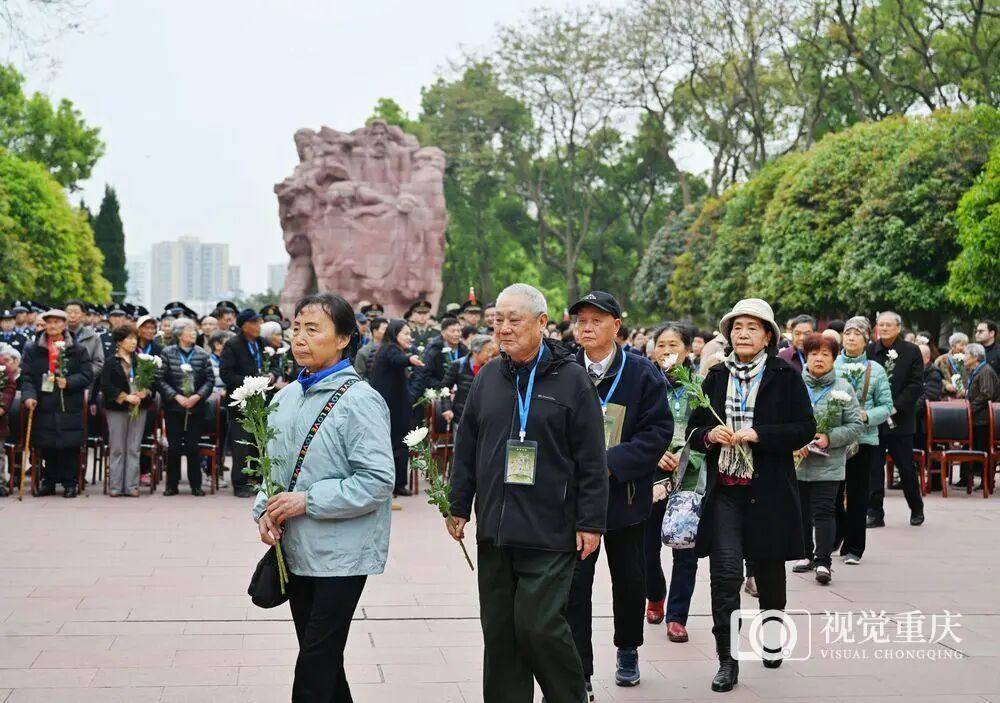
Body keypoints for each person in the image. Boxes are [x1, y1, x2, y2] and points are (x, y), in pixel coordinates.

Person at [448, 283, 608, 703]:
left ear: (541, 323)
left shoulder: (572, 380)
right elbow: (466, 445)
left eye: (513, 320)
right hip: (496, 530)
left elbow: (592, 457)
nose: (502, 328)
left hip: (550, 529)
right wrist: (458, 504)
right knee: (500, 634)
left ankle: (570, 695)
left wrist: (591, 521)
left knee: (538, 626)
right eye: (497, 320)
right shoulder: (488, 378)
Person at [253, 293, 395, 703]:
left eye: (313, 329)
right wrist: (265, 508)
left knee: (315, 665)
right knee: (325, 664)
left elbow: (377, 480)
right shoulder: (284, 397)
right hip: (296, 552)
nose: (300, 338)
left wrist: (306, 501)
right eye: (296, 328)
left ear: (344, 339)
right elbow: (272, 471)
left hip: (341, 556)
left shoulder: (360, 400)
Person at [686, 298, 816, 692]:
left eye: (752, 327)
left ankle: (772, 637)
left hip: (769, 493)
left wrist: (760, 434)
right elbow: (692, 430)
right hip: (726, 493)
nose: (743, 333)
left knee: (770, 577)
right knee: (725, 577)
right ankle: (727, 661)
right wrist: (709, 436)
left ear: (768, 336)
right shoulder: (714, 377)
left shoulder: (785, 375)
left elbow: (804, 428)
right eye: (737, 326)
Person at [564, 292, 671, 691]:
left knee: (629, 579)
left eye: (596, 320)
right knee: (575, 585)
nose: (586, 327)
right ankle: (580, 671)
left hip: (625, 496)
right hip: (575, 500)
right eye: (581, 321)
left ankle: (628, 648)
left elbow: (658, 430)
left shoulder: (642, 373)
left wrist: (612, 461)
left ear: (616, 326)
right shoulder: (563, 369)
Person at [644, 323, 705, 644]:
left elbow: (708, 429)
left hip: (690, 475)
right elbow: (629, 429)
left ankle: (677, 616)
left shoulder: (702, 386)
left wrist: (684, 454)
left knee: (686, 548)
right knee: (645, 547)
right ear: (652, 351)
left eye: (674, 345)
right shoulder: (643, 383)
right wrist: (655, 454)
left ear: (688, 350)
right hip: (649, 473)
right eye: (662, 345)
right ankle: (654, 593)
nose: (668, 351)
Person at [791, 334, 863, 584]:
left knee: (823, 511)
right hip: (798, 461)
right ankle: (804, 554)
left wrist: (830, 438)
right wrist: (794, 441)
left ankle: (823, 562)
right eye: (813, 354)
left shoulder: (843, 388)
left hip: (829, 462)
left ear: (834, 359)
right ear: (806, 357)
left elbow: (856, 425)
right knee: (800, 511)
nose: (818, 359)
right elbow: (782, 420)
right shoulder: (794, 384)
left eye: (825, 354)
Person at [833, 317, 892, 564]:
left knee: (858, 494)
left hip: (864, 440)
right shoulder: (831, 365)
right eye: (847, 333)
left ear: (866, 339)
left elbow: (887, 407)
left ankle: (855, 548)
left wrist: (867, 415)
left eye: (857, 334)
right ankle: (836, 536)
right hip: (835, 439)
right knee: (832, 494)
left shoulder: (876, 370)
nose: (851, 338)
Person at [20, 309, 93, 498]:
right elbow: (26, 377)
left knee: (69, 444)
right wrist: (29, 396)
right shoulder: (33, 348)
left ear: (64, 324)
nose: (52, 326)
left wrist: (69, 382)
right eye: (49, 322)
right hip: (44, 403)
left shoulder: (77, 349)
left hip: (69, 403)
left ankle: (70, 482)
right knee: (48, 443)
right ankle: (49, 481)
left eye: (57, 322)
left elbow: (87, 375)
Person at [867, 311, 925, 528]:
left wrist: (895, 407)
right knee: (873, 467)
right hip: (875, 420)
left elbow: (915, 384)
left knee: (906, 467)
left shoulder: (911, 351)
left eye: (888, 325)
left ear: (898, 328)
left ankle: (916, 507)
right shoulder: (871, 350)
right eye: (880, 325)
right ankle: (875, 513)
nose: (883, 329)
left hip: (900, 420)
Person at [369, 319, 425, 497]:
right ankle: (389, 485)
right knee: (391, 446)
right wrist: (409, 359)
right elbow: (398, 359)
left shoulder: (394, 348)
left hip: (398, 407)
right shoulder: (389, 349)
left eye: (410, 333)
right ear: (395, 334)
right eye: (406, 334)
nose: (410, 337)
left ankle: (399, 484)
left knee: (401, 444)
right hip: (388, 409)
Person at [158, 319, 214, 496]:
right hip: (174, 407)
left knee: (192, 447)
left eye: (194, 330)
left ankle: (195, 485)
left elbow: (210, 380)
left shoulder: (202, 354)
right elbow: (160, 379)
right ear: (179, 334)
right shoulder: (167, 353)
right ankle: (171, 485)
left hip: (196, 408)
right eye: (189, 330)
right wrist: (176, 396)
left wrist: (197, 396)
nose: (194, 333)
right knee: (173, 447)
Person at [220, 309, 267, 497]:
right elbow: (226, 374)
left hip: (260, 401)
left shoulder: (261, 343)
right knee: (241, 444)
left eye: (259, 323)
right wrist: (250, 382)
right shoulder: (232, 344)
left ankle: (257, 480)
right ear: (244, 325)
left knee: (259, 442)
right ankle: (239, 484)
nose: (258, 326)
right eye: (254, 323)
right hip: (241, 401)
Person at [101, 323, 151, 497]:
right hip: (117, 409)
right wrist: (125, 397)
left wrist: (145, 392)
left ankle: (131, 486)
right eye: (129, 338)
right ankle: (115, 486)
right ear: (119, 341)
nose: (133, 342)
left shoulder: (141, 361)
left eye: (135, 338)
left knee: (134, 447)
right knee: (117, 447)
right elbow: (106, 386)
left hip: (139, 407)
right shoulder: (110, 362)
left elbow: (151, 383)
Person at [440, 334, 498, 427]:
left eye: (491, 351)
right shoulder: (458, 365)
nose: (491, 354)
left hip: (484, 418)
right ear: (476, 351)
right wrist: (447, 408)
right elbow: (444, 388)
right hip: (461, 416)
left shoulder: (492, 367)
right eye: (488, 351)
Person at [964, 343, 1000, 483]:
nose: (964, 358)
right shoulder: (976, 370)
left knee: (983, 449)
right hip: (976, 418)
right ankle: (967, 477)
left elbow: (986, 394)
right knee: (970, 446)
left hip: (983, 419)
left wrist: (969, 409)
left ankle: (987, 480)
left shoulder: (985, 371)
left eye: (967, 354)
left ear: (975, 357)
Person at [419, 317, 466, 390]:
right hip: (438, 390)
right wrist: (442, 388)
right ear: (443, 333)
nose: (456, 334)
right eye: (453, 331)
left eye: (459, 331)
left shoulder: (464, 350)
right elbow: (426, 375)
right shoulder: (434, 350)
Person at [935, 332, 969, 399]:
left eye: (966, 345)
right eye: (962, 345)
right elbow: (936, 377)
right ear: (953, 346)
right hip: (948, 397)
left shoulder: (969, 360)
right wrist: (946, 384)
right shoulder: (941, 360)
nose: (965, 348)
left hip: (966, 396)